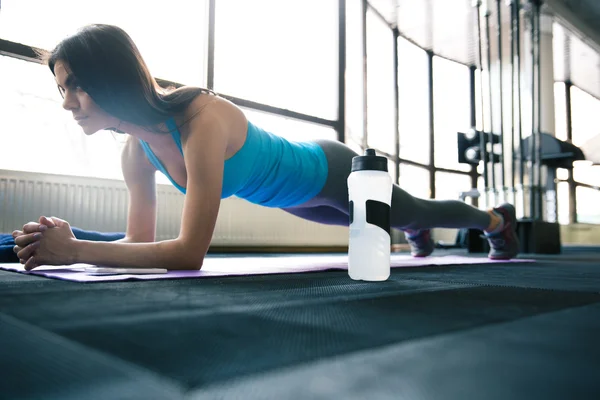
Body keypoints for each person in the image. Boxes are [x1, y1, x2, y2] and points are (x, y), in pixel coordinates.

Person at [12, 24, 519, 271]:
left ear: (111, 77)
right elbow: (138, 241)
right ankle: (412, 227)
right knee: (382, 223)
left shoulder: (201, 119)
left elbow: (188, 255)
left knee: (416, 210)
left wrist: (76, 250)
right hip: (291, 197)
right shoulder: (133, 153)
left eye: (75, 85)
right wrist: (68, 241)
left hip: (328, 170)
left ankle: (497, 221)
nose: (68, 103)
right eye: (62, 89)